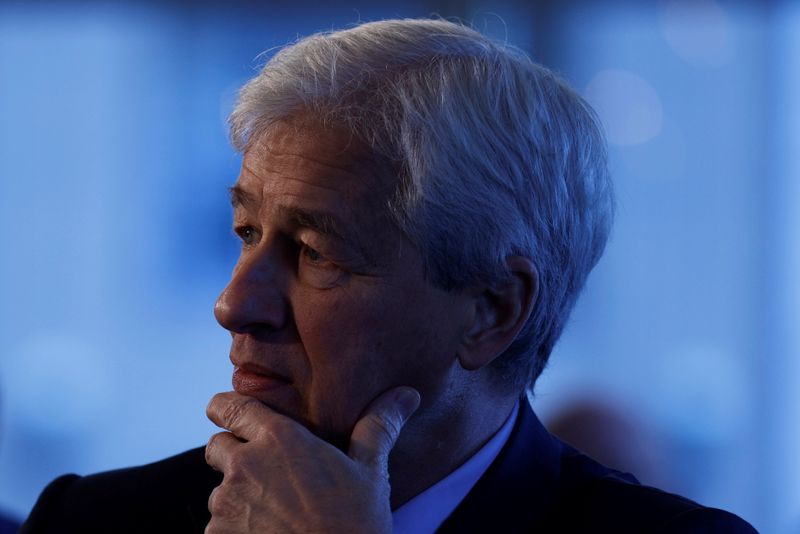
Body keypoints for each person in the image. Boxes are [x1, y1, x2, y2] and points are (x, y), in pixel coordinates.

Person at [22, 18, 756, 533]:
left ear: (493, 311)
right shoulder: (94, 519)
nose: (234, 304)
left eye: (316, 253)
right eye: (246, 232)